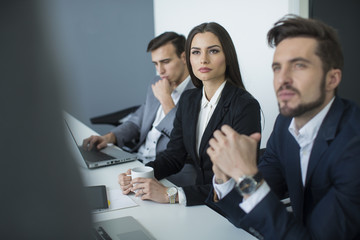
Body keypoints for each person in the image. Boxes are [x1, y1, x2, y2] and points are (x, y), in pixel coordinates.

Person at [206, 15, 360, 239]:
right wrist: (225, 177)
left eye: (298, 65)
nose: (282, 79)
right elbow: (245, 212)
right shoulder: (285, 124)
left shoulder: (354, 146)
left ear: (332, 79)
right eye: (277, 68)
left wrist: (246, 174)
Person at [118, 22, 261, 206]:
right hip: (199, 204)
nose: (203, 60)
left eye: (213, 51)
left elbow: (238, 182)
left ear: (228, 56)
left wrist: (172, 194)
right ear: (189, 59)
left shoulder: (244, 106)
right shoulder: (189, 100)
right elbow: (173, 156)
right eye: (196, 52)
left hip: (228, 207)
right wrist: (139, 174)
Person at [83, 32, 196, 186]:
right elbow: (137, 120)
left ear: (184, 57)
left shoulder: (198, 92)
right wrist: (109, 138)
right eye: (155, 64)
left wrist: (165, 99)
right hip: (137, 160)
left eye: (165, 62)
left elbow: (185, 139)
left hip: (168, 170)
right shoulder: (157, 82)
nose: (160, 70)